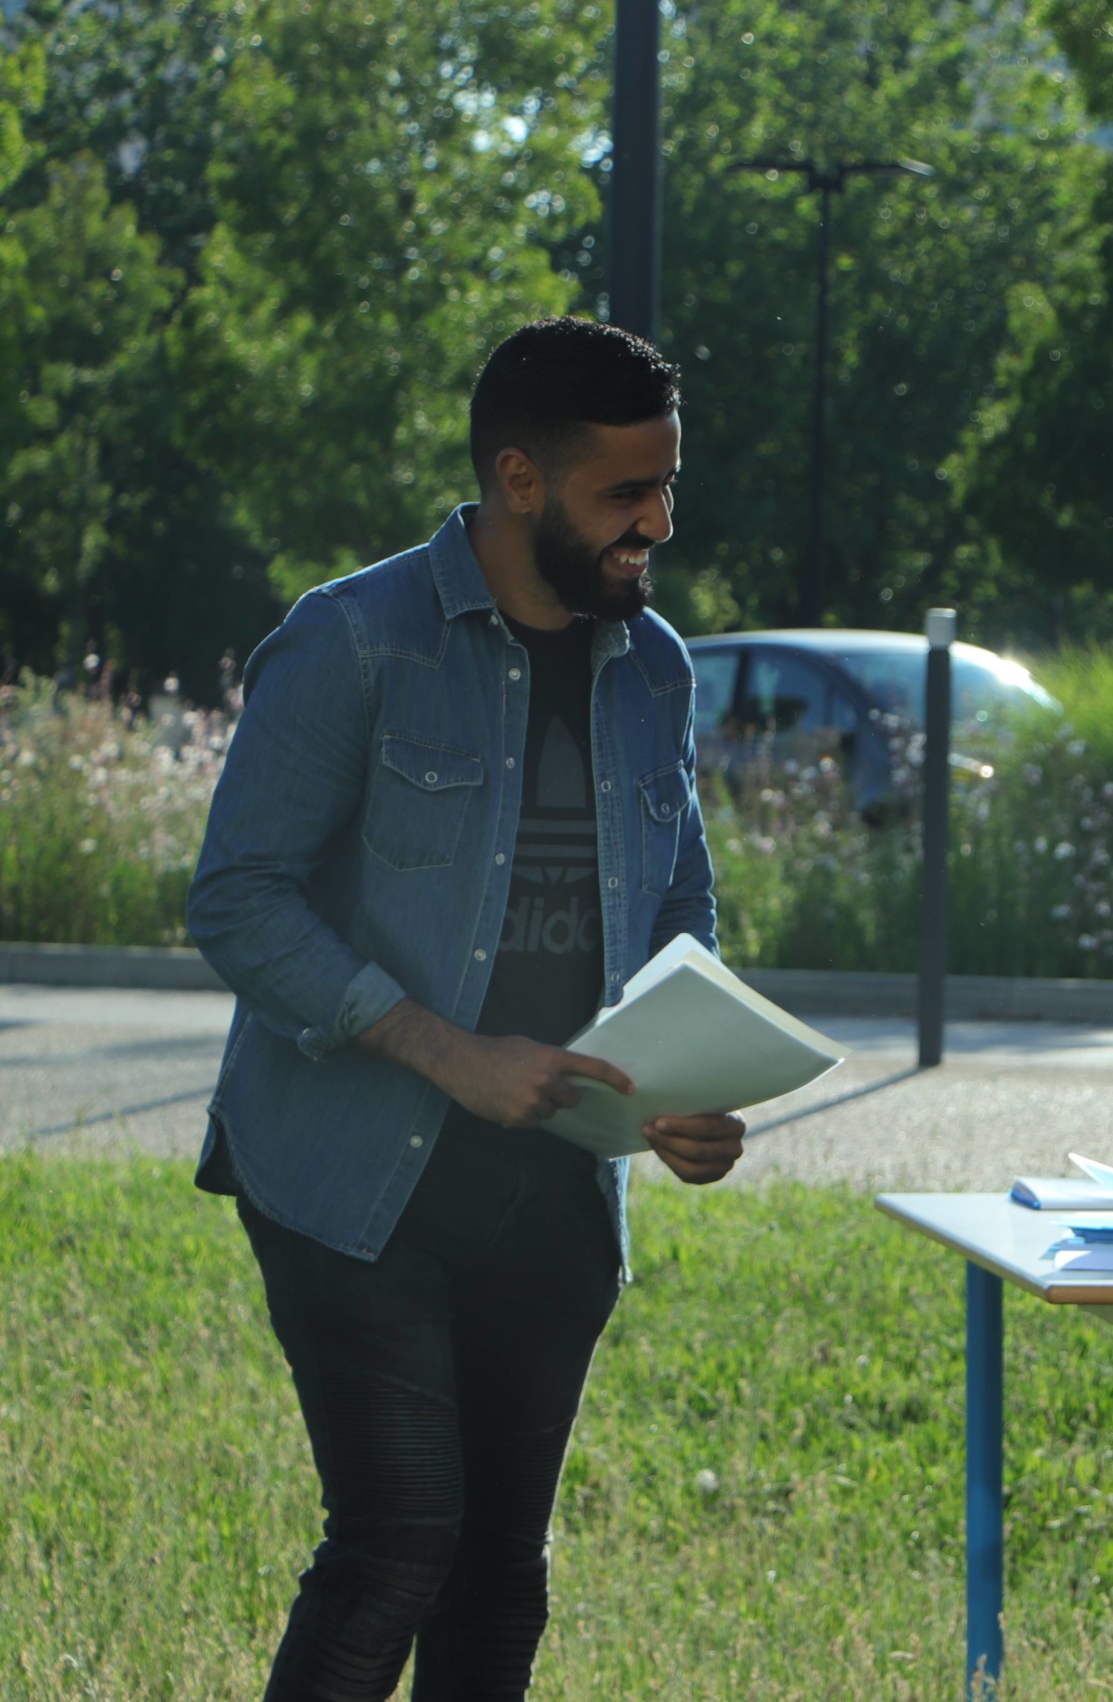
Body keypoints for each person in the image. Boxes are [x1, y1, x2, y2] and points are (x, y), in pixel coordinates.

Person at [186, 317, 748, 1700]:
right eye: (626, 493)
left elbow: (679, 901)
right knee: (398, 1543)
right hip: (351, 1173)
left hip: (556, 1192)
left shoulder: (656, 665)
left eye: (666, 487)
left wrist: (690, 1075)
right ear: (518, 479)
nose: (657, 523)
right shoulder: (354, 641)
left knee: (502, 1567)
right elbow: (238, 899)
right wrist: (450, 1055)